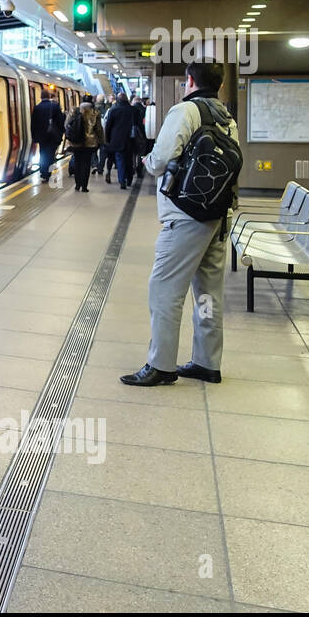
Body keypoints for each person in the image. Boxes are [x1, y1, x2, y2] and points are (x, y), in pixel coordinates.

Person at [121, 61, 239, 387]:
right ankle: (206, 362)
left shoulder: (185, 111)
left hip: (186, 216)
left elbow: (159, 161)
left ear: (189, 80)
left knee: (164, 291)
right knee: (208, 294)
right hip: (218, 216)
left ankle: (161, 365)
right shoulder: (225, 116)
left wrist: (147, 160)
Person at [64, 94, 104, 192]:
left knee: (78, 162)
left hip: (76, 142)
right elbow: (99, 129)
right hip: (90, 143)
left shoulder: (74, 111)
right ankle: (84, 186)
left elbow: (66, 125)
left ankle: (77, 185)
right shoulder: (95, 113)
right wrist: (101, 141)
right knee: (86, 164)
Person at [103, 93, 137, 189]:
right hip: (131, 139)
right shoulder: (133, 110)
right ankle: (129, 179)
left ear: (117, 100)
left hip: (117, 140)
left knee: (120, 159)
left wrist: (108, 139)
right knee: (129, 160)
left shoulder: (114, 110)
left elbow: (108, 126)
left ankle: (122, 181)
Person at [30, 89, 65, 176]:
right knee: (51, 154)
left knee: (43, 153)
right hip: (53, 135)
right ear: (49, 96)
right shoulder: (55, 106)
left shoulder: (37, 108)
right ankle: (48, 173)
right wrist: (61, 132)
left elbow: (33, 123)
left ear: (41, 97)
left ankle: (43, 171)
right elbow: (60, 121)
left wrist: (34, 136)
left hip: (41, 136)